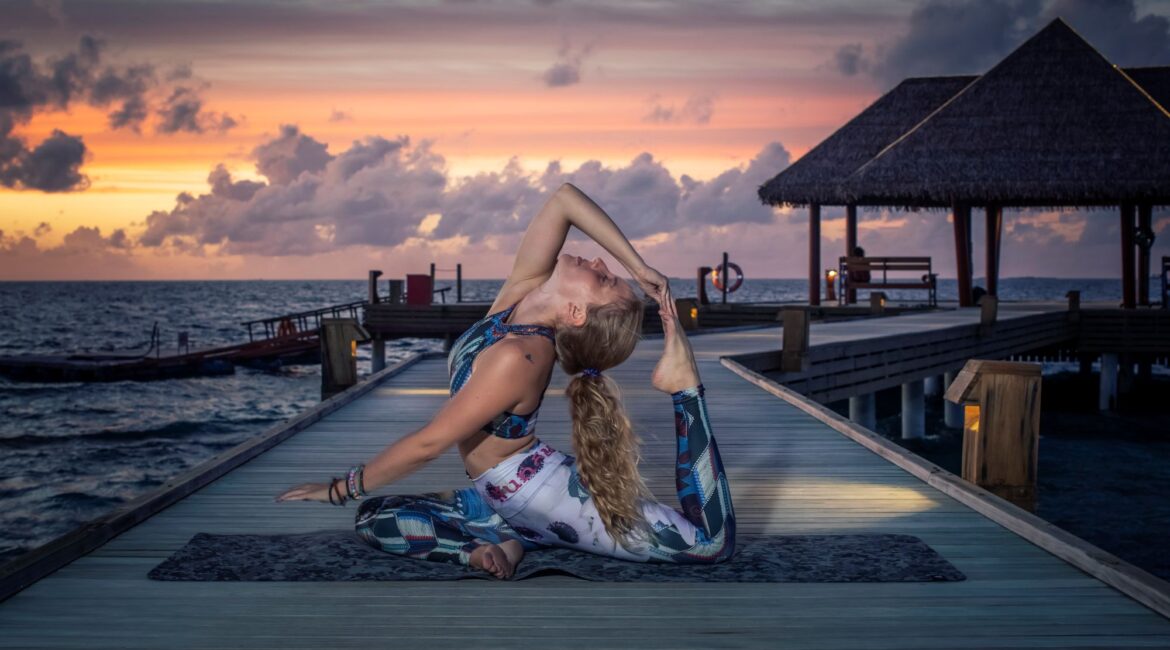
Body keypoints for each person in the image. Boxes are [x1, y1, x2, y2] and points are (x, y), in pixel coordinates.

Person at [277, 182, 732, 578]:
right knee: (376, 517)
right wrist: (637, 268)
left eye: (601, 277)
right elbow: (564, 200)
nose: (597, 260)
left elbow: (428, 444)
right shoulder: (516, 301)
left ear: (575, 313)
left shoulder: (522, 355)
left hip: (549, 498)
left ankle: (684, 387)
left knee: (710, 543)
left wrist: (339, 488)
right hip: (501, 499)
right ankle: (497, 547)